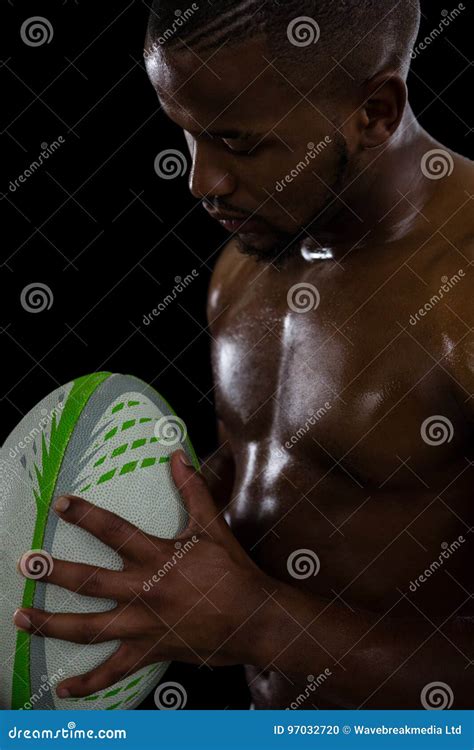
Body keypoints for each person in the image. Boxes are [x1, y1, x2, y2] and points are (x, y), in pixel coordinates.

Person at [14, 0, 474, 709]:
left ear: (375, 111)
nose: (201, 181)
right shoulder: (249, 261)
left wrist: (261, 624)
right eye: (187, 134)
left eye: (241, 143)